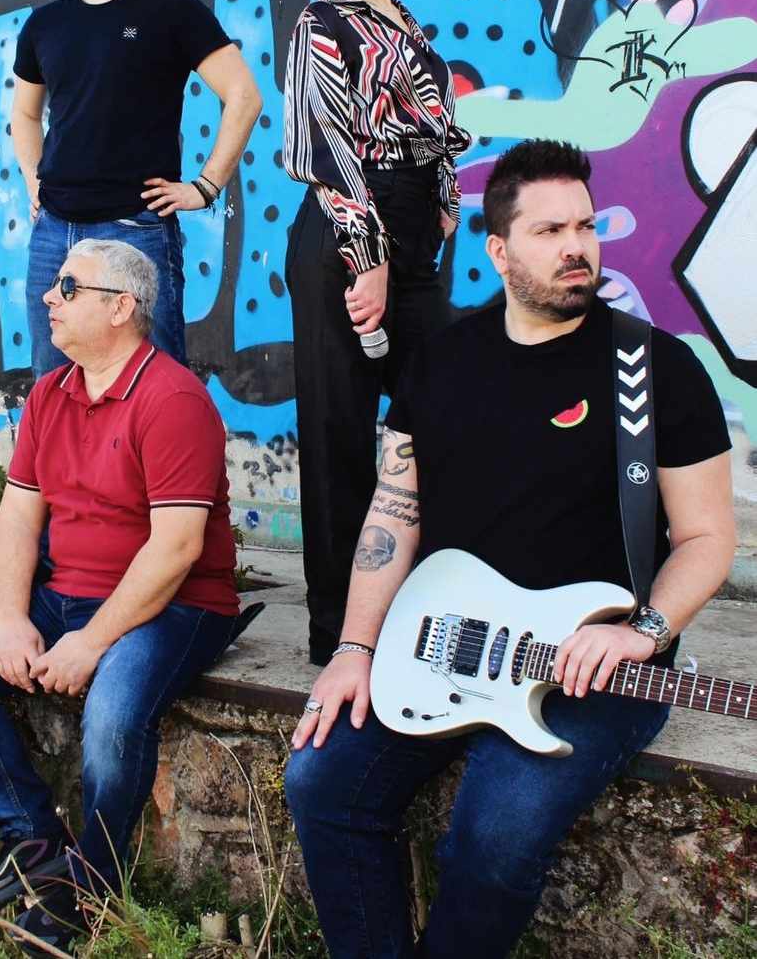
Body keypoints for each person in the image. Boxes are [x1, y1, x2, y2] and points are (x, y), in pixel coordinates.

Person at [284, 139, 736, 958]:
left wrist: (642, 631)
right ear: (497, 251)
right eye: (548, 231)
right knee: (321, 782)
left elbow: (707, 539)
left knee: (491, 837)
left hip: (594, 669)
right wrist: (354, 647)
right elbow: (393, 514)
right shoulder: (440, 360)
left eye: (584, 226)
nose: (576, 247)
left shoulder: (654, 369)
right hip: (442, 645)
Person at [0, 239, 240, 953]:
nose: (48, 298)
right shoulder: (50, 393)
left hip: (177, 605)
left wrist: (91, 643)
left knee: (113, 715)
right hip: (65, 593)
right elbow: (19, 516)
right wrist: (9, 618)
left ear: (120, 307)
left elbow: (176, 548)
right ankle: (35, 845)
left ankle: (84, 892)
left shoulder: (173, 400)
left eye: (68, 287)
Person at [282, 0, 471, 664]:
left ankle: (430, 604)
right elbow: (325, 149)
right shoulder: (320, 22)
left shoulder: (409, 26)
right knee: (338, 431)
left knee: (443, 409)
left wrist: (442, 213)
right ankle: (339, 635)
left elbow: (435, 136)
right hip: (345, 232)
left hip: (411, 233)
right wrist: (369, 255)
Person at [11, 0, 262, 379]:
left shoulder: (170, 9)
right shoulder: (44, 25)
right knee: (54, 384)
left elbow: (243, 94)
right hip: (54, 232)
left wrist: (206, 186)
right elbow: (25, 113)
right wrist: (33, 181)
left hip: (138, 229)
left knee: (155, 382)